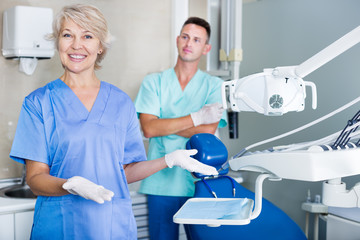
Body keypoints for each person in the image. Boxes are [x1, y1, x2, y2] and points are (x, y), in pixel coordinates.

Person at [9, 5, 218, 240]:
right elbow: (35, 179)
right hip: (60, 226)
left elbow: (125, 171)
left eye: (87, 36)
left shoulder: (120, 102)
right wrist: (69, 184)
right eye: (68, 35)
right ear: (58, 41)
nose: (77, 45)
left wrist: (169, 160)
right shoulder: (39, 103)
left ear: (100, 46)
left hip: (111, 226)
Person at [135, 17, 227, 240]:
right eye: (185, 37)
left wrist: (164, 124)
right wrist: (197, 117)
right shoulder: (153, 82)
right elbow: (148, 129)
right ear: (177, 40)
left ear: (206, 48)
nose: (189, 43)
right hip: (160, 181)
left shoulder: (214, 86)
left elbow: (206, 135)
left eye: (196, 39)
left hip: (199, 180)